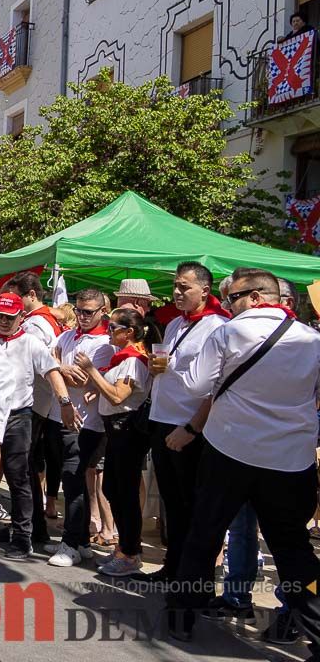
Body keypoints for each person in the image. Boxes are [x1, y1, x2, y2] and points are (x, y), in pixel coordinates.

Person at [165, 268, 320, 655]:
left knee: (205, 534)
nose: (228, 305)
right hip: (289, 459)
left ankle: (184, 614)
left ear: (255, 298)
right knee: (294, 549)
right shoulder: (312, 339)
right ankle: (317, 625)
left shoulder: (228, 332)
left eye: (232, 298)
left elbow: (195, 385)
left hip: (230, 451)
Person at [146, 261, 229, 582]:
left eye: (185, 287)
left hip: (190, 426)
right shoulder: (175, 325)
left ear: (205, 291)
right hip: (162, 418)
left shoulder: (218, 327)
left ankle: (196, 580)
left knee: (192, 504)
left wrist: (193, 427)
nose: (177, 292)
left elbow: (214, 385)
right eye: (176, 286)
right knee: (172, 503)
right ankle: (174, 567)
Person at [0, 291, 70, 560]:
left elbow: (52, 372)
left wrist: (65, 402)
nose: (2, 321)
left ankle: (23, 538)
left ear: (21, 317)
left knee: (18, 477)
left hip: (17, 418)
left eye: (8, 317)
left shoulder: (31, 343)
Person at [76, 309, 151, 577]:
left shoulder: (133, 360)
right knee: (113, 488)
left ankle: (130, 552)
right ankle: (125, 549)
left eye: (113, 328)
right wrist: (96, 390)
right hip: (116, 429)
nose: (108, 332)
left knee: (124, 492)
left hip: (128, 429)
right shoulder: (123, 359)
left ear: (128, 332)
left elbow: (119, 395)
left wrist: (91, 371)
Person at [46, 288, 114, 567]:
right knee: (72, 480)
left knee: (73, 480)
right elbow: (48, 360)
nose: (82, 316)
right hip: (58, 417)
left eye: (88, 312)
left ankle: (71, 542)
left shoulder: (104, 344)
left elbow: (83, 381)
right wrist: (60, 367)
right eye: (79, 311)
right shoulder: (67, 335)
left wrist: (58, 368)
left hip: (85, 422)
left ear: (102, 312)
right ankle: (83, 540)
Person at [3, 271, 65, 545]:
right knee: (26, 470)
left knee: (22, 472)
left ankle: (30, 529)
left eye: (19, 298)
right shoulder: (44, 320)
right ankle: (29, 525)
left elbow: (42, 364)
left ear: (31, 295)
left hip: (32, 405)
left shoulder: (35, 325)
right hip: (38, 404)